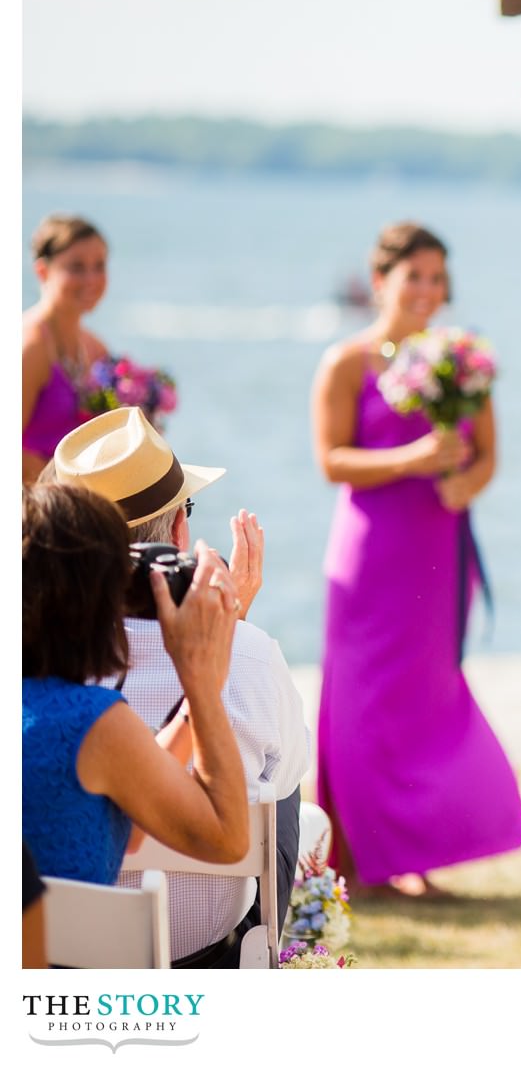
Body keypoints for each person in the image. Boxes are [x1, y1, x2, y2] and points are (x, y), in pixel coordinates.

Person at [310, 221, 521, 897]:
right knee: (361, 697)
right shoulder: (345, 362)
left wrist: (466, 483)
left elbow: (488, 453)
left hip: (438, 552)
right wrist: (410, 460)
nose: (428, 291)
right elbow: (330, 460)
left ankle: (416, 858)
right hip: (371, 552)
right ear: (382, 282)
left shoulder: (462, 359)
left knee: (425, 699)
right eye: (415, 277)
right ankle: (362, 858)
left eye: (438, 278)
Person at [52, 407, 312, 968]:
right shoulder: (252, 654)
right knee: (282, 786)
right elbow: (288, 770)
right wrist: (235, 632)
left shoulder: (41, 664)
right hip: (203, 954)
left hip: (56, 949)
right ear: (176, 532)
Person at [22, 482, 249, 886]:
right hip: (62, 951)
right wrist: (200, 682)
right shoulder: (92, 724)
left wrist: (193, 707)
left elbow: (134, 821)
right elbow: (228, 840)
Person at [22, 214, 108, 484]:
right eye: (76, 267)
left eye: (99, 265)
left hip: (72, 513)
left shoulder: (95, 348)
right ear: (43, 271)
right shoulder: (31, 346)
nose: (91, 278)